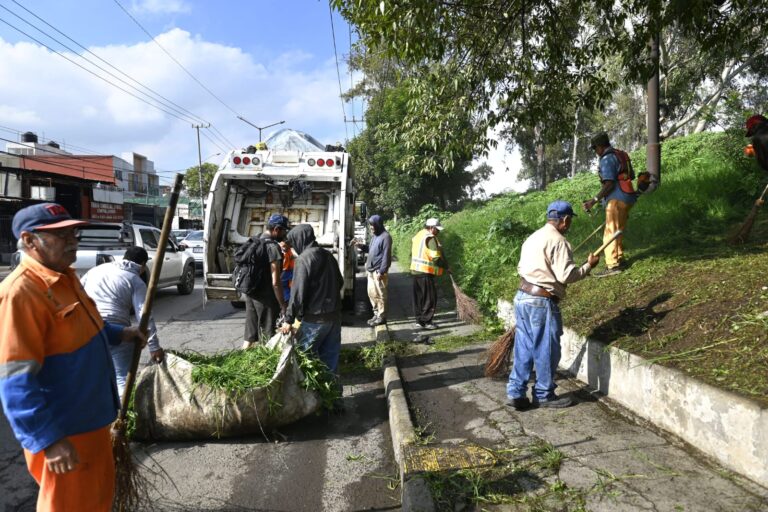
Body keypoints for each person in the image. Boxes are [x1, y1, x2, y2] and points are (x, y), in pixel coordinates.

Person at [0, 203, 146, 512]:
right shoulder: (20, 293)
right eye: (60, 235)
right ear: (29, 241)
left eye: (73, 233)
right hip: (67, 433)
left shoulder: (65, 278)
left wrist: (122, 333)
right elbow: (15, 379)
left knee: (96, 503)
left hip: (94, 423)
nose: (73, 241)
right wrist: (48, 440)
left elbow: (89, 328)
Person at [507, 201, 599, 411]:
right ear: (565, 220)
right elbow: (566, 275)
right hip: (541, 301)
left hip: (522, 296)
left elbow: (522, 266)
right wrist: (588, 266)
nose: (569, 225)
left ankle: (515, 392)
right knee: (547, 349)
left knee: (524, 346)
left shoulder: (533, 237)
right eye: (570, 221)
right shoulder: (559, 241)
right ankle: (544, 394)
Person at [81, 246, 164, 398]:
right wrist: (154, 346)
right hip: (119, 332)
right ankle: (123, 417)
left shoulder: (96, 270)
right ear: (143, 265)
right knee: (122, 379)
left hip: (90, 328)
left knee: (93, 376)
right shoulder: (136, 280)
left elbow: (78, 292)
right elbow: (144, 314)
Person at [279, 224, 343, 376]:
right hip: (334, 317)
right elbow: (339, 282)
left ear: (300, 240)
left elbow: (297, 294)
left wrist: (288, 319)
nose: (294, 247)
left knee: (303, 362)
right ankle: (333, 397)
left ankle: (311, 397)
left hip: (315, 319)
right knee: (330, 363)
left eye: (294, 243)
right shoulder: (328, 255)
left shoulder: (303, 260)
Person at [582, 132, 637, 277]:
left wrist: (593, 201)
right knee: (618, 230)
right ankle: (619, 259)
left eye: (595, 149)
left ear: (600, 146)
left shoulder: (606, 159)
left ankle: (612, 265)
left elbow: (609, 184)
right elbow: (632, 175)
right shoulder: (621, 154)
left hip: (616, 199)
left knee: (610, 232)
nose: (595, 152)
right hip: (628, 197)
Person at [242, 213, 289, 349]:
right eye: (284, 230)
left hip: (251, 292)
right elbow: (275, 281)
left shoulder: (255, 240)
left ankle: (242, 354)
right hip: (265, 296)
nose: (285, 234)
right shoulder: (273, 247)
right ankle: (265, 366)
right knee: (267, 335)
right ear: (277, 229)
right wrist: (282, 304)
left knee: (250, 333)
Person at [410, 217, 450, 330]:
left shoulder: (418, 235)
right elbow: (435, 258)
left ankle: (419, 321)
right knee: (430, 298)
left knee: (419, 298)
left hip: (415, 271)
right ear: (432, 228)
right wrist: (446, 267)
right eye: (437, 229)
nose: (439, 232)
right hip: (425, 272)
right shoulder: (431, 238)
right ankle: (427, 322)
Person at [352, 214, 393, 326]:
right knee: (372, 293)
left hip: (378, 271)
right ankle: (376, 314)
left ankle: (382, 316)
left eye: (372, 225)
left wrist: (382, 271)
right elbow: (371, 249)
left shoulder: (386, 237)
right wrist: (360, 246)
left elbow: (386, 256)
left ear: (378, 225)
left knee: (381, 294)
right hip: (370, 270)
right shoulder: (375, 236)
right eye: (370, 225)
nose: (371, 228)